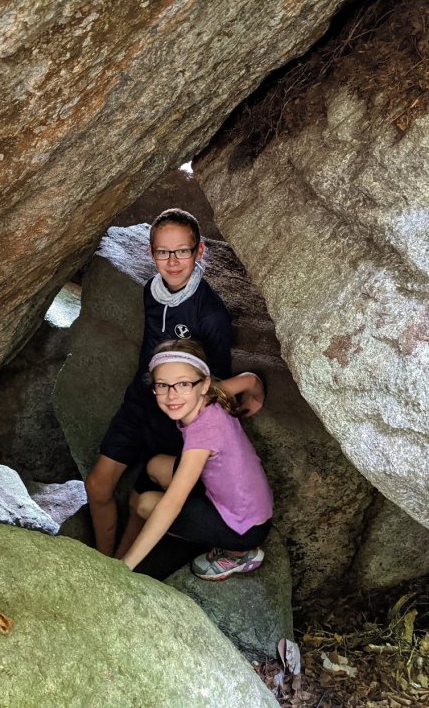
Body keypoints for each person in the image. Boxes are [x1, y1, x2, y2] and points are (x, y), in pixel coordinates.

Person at [84, 208, 264, 558]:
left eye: (183, 250)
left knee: (142, 498)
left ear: (199, 252)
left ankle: (118, 569)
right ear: (151, 253)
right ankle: (101, 559)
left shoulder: (210, 314)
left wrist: (248, 381)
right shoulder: (152, 291)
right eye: (163, 251)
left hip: (174, 420)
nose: (173, 260)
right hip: (140, 403)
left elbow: (210, 385)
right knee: (97, 485)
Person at [121, 339, 273, 579]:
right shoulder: (213, 395)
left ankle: (238, 554)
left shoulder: (203, 434)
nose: (172, 395)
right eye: (162, 385)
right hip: (250, 504)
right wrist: (256, 396)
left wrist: (124, 566)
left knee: (146, 504)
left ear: (204, 384)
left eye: (182, 384)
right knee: (155, 465)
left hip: (245, 529)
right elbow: (250, 379)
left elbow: (171, 505)